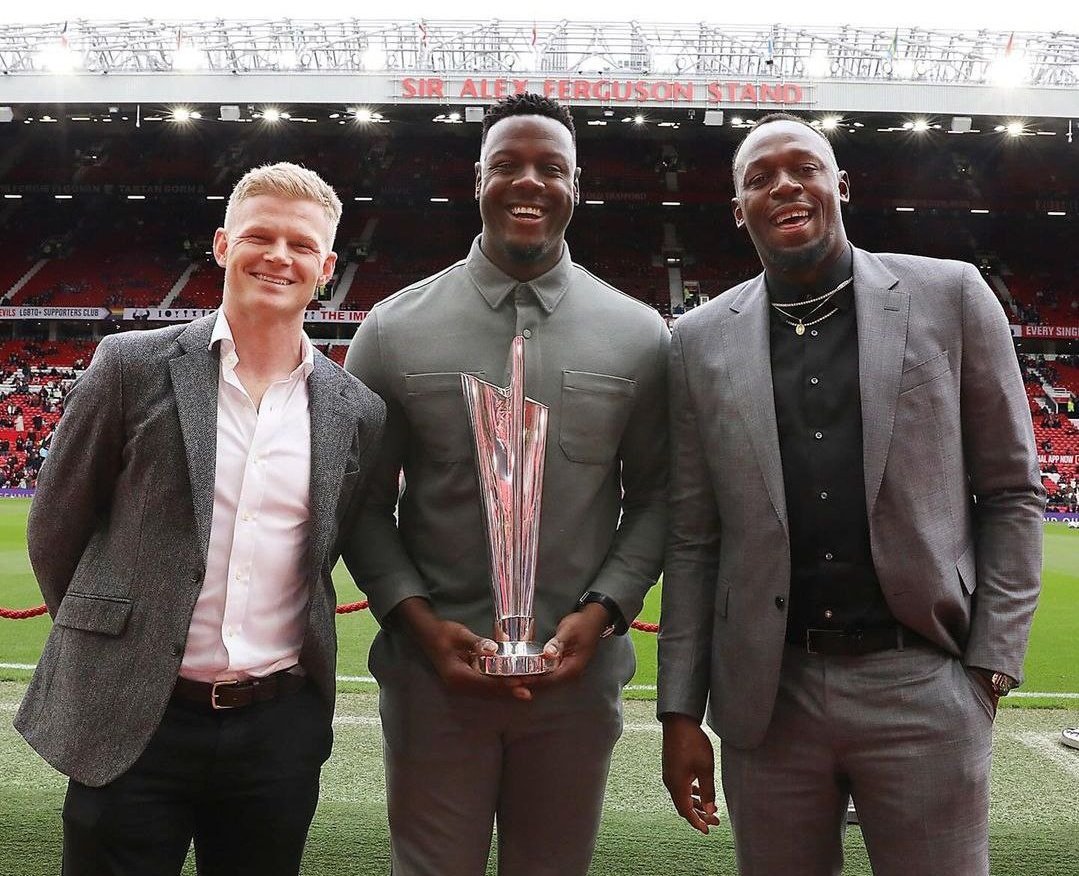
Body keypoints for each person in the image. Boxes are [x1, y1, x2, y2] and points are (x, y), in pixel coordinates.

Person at [658, 113, 1044, 875]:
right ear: (739, 210)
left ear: (840, 182)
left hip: (921, 682)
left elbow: (1010, 492)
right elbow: (695, 537)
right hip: (770, 699)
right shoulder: (696, 340)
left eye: (803, 167)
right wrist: (678, 709)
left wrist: (989, 666)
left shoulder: (951, 295)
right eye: (759, 178)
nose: (784, 186)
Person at [14, 162, 386, 876]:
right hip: (133, 719)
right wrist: (122, 650)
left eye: (301, 245)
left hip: (276, 729)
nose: (279, 256)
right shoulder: (129, 365)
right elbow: (55, 527)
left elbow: (328, 547)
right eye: (259, 236)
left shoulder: (355, 409)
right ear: (222, 246)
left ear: (328, 266)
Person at [344, 93, 668, 876]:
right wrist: (420, 626)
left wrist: (603, 612)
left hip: (575, 685)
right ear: (477, 180)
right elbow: (358, 506)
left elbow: (661, 495)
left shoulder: (640, 335)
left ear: (576, 185)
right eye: (508, 165)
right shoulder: (391, 329)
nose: (529, 182)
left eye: (550, 167)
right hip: (432, 686)